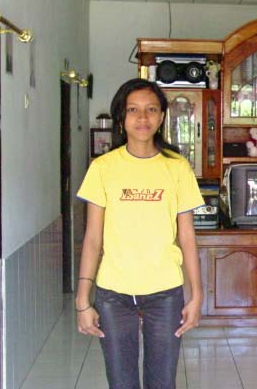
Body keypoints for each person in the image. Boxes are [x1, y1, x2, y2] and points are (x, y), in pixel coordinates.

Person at [74, 78, 204, 389]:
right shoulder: (103, 167)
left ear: (161, 117)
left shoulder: (178, 168)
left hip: (165, 293)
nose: (142, 118)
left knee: (162, 382)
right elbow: (93, 239)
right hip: (113, 294)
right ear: (121, 117)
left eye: (151, 110)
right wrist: (82, 300)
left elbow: (187, 237)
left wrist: (197, 295)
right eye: (133, 110)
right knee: (121, 382)